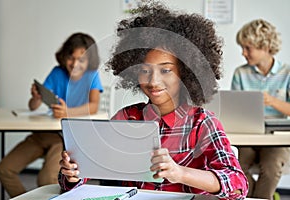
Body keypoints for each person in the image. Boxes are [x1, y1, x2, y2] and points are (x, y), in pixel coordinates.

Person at [59, 2, 248, 199]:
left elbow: (237, 185)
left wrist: (180, 173)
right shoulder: (127, 118)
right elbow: (82, 175)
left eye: (166, 70)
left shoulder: (202, 124)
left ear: (186, 73)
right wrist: (73, 174)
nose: (153, 81)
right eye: (144, 70)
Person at [0, 32, 103, 198]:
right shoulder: (57, 72)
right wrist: (36, 98)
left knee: (46, 179)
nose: (75, 64)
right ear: (64, 56)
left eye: (81, 59)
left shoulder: (92, 76)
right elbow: (33, 106)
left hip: (65, 139)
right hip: (44, 134)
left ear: (89, 60)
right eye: (71, 58)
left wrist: (68, 112)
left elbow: (94, 106)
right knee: (4, 169)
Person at [231, 19, 290, 199]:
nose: (243, 53)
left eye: (247, 48)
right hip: (247, 136)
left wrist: (272, 101)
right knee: (234, 165)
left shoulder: (288, 73)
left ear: (264, 46)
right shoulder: (240, 73)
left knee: (271, 166)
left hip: (275, 138)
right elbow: (234, 109)